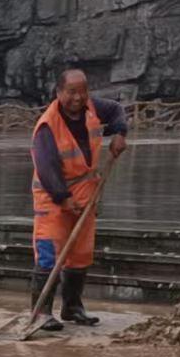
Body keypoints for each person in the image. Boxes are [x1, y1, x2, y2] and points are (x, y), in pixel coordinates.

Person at [27, 68, 129, 333]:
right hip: (52, 196)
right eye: (71, 92)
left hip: (86, 192)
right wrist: (63, 198)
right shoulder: (47, 126)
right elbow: (47, 169)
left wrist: (119, 133)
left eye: (82, 91)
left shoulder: (94, 107)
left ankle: (72, 307)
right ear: (59, 92)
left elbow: (118, 110)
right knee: (48, 253)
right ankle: (40, 313)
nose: (77, 97)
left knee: (80, 254)